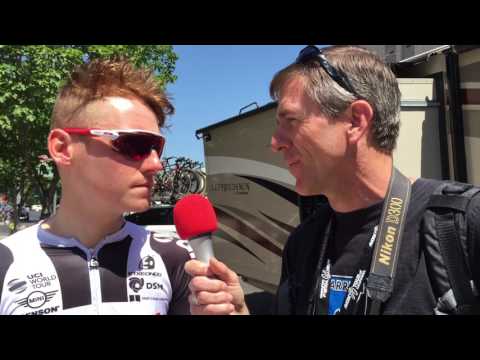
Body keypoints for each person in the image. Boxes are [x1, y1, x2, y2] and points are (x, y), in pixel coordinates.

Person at [184, 45, 480, 315]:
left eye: (291, 121)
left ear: (356, 121)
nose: (275, 143)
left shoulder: (462, 225)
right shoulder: (303, 243)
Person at [0, 58, 194, 315]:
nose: (156, 164)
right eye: (135, 145)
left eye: (156, 147)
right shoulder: (6, 262)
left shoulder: (175, 258)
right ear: (62, 148)